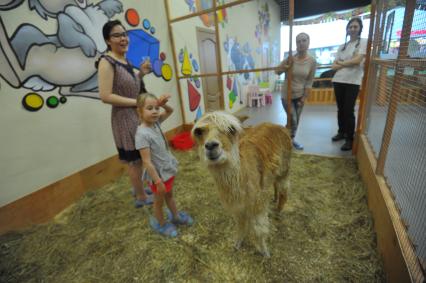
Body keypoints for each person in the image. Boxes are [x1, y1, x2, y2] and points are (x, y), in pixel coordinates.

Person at [97, 20, 153, 207]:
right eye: (117, 35)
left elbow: (127, 86)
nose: (123, 38)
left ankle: (139, 189)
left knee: (141, 157)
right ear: (107, 40)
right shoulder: (107, 61)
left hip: (134, 115)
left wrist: (141, 74)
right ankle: (141, 197)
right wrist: (137, 103)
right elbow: (105, 96)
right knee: (135, 161)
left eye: (124, 34)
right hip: (124, 118)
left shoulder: (125, 60)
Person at [136, 93, 193, 237]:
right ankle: (161, 224)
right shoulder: (142, 134)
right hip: (158, 176)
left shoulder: (155, 123)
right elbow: (147, 162)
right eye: (150, 108)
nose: (155, 111)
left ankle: (175, 216)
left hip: (166, 170)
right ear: (140, 111)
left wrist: (163, 104)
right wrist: (157, 181)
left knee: (170, 195)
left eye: (156, 108)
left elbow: (170, 111)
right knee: (158, 202)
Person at [331, 17, 367, 151]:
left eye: (355, 27)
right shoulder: (342, 46)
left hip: (353, 81)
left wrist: (341, 63)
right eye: (350, 27)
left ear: (359, 29)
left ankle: (349, 139)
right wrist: (345, 63)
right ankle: (341, 132)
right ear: (347, 29)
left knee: (348, 110)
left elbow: (357, 61)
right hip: (338, 80)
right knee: (340, 109)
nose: (352, 29)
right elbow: (334, 67)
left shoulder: (363, 42)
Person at [276, 32, 317, 150]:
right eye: (298, 41)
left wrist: (304, 98)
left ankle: (288, 139)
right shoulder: (290, 59)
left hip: (300, 95)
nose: (301, 43)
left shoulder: (312, 62)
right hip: (287, 95)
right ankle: (288, 140)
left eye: (304, 40)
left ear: (308, 42)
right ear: (296, 44)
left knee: (295, 121)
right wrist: (285, 67)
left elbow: (309, 81)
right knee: (293, 119)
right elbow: (277, 71)